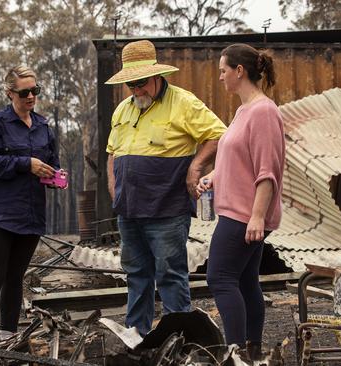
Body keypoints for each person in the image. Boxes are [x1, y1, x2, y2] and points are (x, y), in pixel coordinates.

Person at [105, 40, 227, 336]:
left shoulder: (184, 103)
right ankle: (137, 339)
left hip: (167, 211)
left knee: (170, 276)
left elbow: (219, 135)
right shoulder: (123, 109)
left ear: (158, 76)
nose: (137, 90)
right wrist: (114, 190)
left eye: (141, 82)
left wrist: (196, 167)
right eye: (130, 84)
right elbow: (112, 153)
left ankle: (181, 341)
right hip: (129, 212)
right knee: (136, 276)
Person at [196, 44, 285, 361]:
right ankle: (251, 352)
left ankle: (234, 355)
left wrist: (257, 217)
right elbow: (239, 158)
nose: (219, 77)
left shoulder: (263, 111)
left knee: (219, 277)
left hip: (245, 214)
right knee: (246, 281)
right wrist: (215, 176)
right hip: (238, 211)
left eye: (222, 70)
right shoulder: (244, 111)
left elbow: (267, 171)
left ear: (239, 71)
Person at [0, 65, 60, 344]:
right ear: (10, 93)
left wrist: (55, 176)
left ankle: (9, 336)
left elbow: (51, 163)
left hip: (30, 215)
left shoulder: (44, 127)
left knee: (15, 277)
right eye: (24, 93)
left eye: (35, 91)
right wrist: (27, 164)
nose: (31, 97)